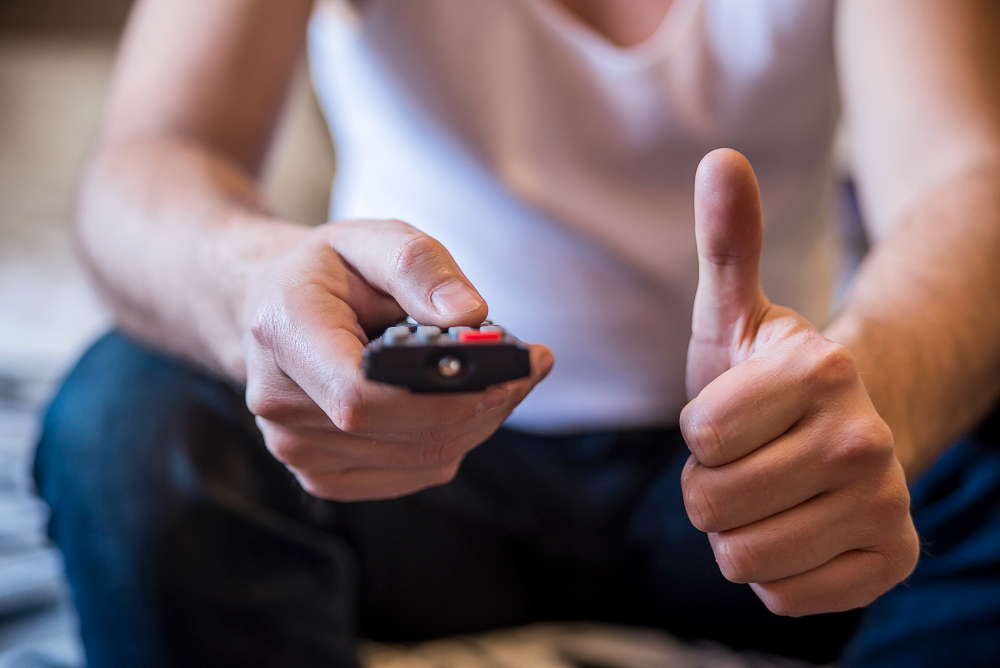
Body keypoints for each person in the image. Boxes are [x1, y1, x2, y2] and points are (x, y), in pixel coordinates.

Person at [32, 0, 1000, 666]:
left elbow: (964, 175)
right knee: (130, 418)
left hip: (753, 467)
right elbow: (147, 162)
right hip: (402, 459)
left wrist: (867, 407)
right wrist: (255, 285)